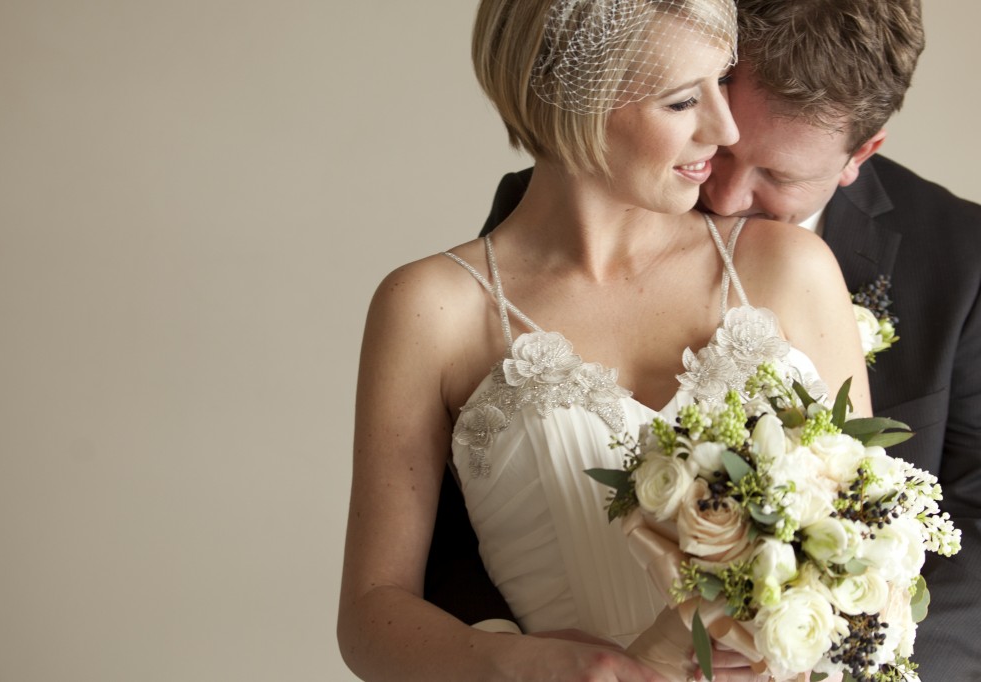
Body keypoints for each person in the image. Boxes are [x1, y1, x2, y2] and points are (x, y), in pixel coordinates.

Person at [436, 0, 981, 678]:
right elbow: (475, 513)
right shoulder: (554, 212)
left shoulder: (962, 260)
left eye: (776, 177)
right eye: (719, 149)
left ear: (860, 155)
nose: (721, 198)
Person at [339, 1, 868, 680]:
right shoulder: (433, 309)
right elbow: (371, 614)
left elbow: (871, 539)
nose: (725, 126)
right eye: (682, 102)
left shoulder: (790, 268)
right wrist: (526, 665)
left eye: (723, 82)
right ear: (569, 100)